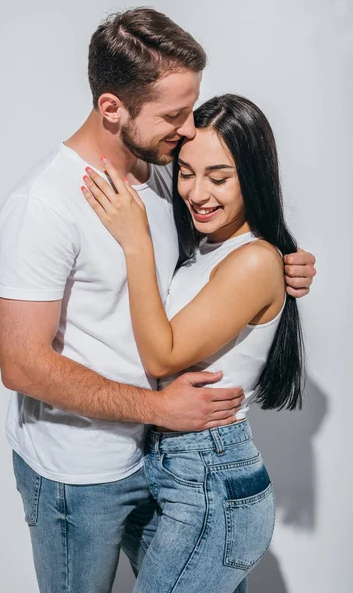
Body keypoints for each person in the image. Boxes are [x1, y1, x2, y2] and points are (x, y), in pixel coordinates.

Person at [0, 8, 316, 593]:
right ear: (112, 107)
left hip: (164, 461)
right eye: (173, 114)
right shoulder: (43, 206)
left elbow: (217, 261)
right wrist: (158, 410)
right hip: (79, 472)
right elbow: (20, 364)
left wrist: (281, 264)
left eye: (190, 108)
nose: (188, 127)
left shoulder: (168, 174)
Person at [82, 93, 305, 592]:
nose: (197, 192)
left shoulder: (252, 261)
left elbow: (163, 354)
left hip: (210, 481)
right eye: (187, 172)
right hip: (176, 471)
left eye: (219, 177)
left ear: (254, 176)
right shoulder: (207, 244)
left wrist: (135, 241)